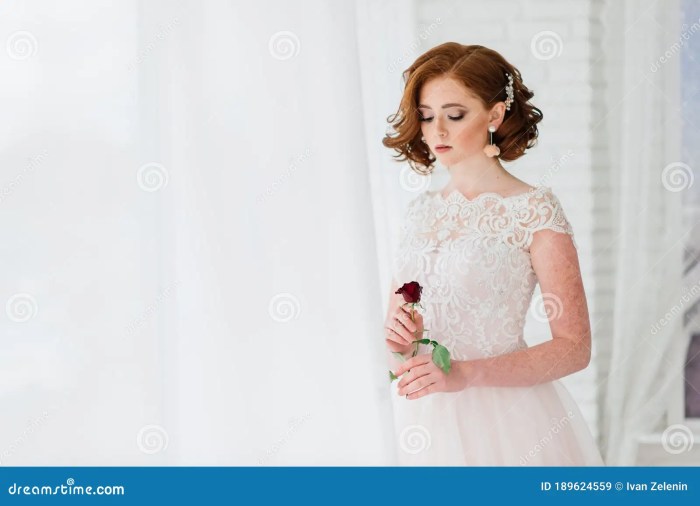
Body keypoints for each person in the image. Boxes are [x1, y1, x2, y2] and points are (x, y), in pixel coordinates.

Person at [381, 42, 604, 466]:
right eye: (427, 117)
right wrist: (399, 342)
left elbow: (575, 347)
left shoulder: (535, 210)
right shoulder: (418, 213)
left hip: (511, 427)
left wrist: (467, 374)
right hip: (423, 425)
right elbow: (396, 339)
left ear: (495, 115)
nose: (437, 132)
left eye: (455, 114)